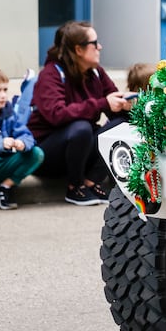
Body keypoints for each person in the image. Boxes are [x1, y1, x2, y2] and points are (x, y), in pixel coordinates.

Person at [25, 21, 133, 205]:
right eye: (95, 43)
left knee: (123, 124)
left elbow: (110, 104)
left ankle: (91, 182)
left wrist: (124, 105)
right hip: (48, 154)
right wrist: (102, 103)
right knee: (81, 128)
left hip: (81, 149)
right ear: (79, 50)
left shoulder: (96, 72)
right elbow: (57, 114)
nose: (100, 47)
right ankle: (74, 188)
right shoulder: (51, 74)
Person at [0, 67, 43, 211]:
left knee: (36, 153)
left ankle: (5, 187)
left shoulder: (9, 113)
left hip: (4, 164)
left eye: (5, 90)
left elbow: (26, 134)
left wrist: (22, 143)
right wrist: (0, 144)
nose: (3, 95)